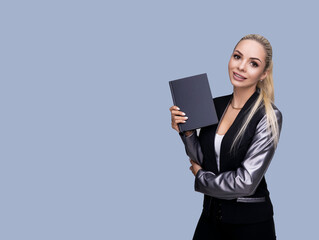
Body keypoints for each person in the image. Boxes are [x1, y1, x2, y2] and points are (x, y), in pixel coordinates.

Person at [169, 34, 283, 240]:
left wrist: (201, 176)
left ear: (264, 73)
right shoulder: (214, 105)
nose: (241, 67)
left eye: (253, 63)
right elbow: (203, 160)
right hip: (210, 216)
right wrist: (186, 131)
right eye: (237, 57)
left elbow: (246, 182)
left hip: (250, 224)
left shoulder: (268, 115)